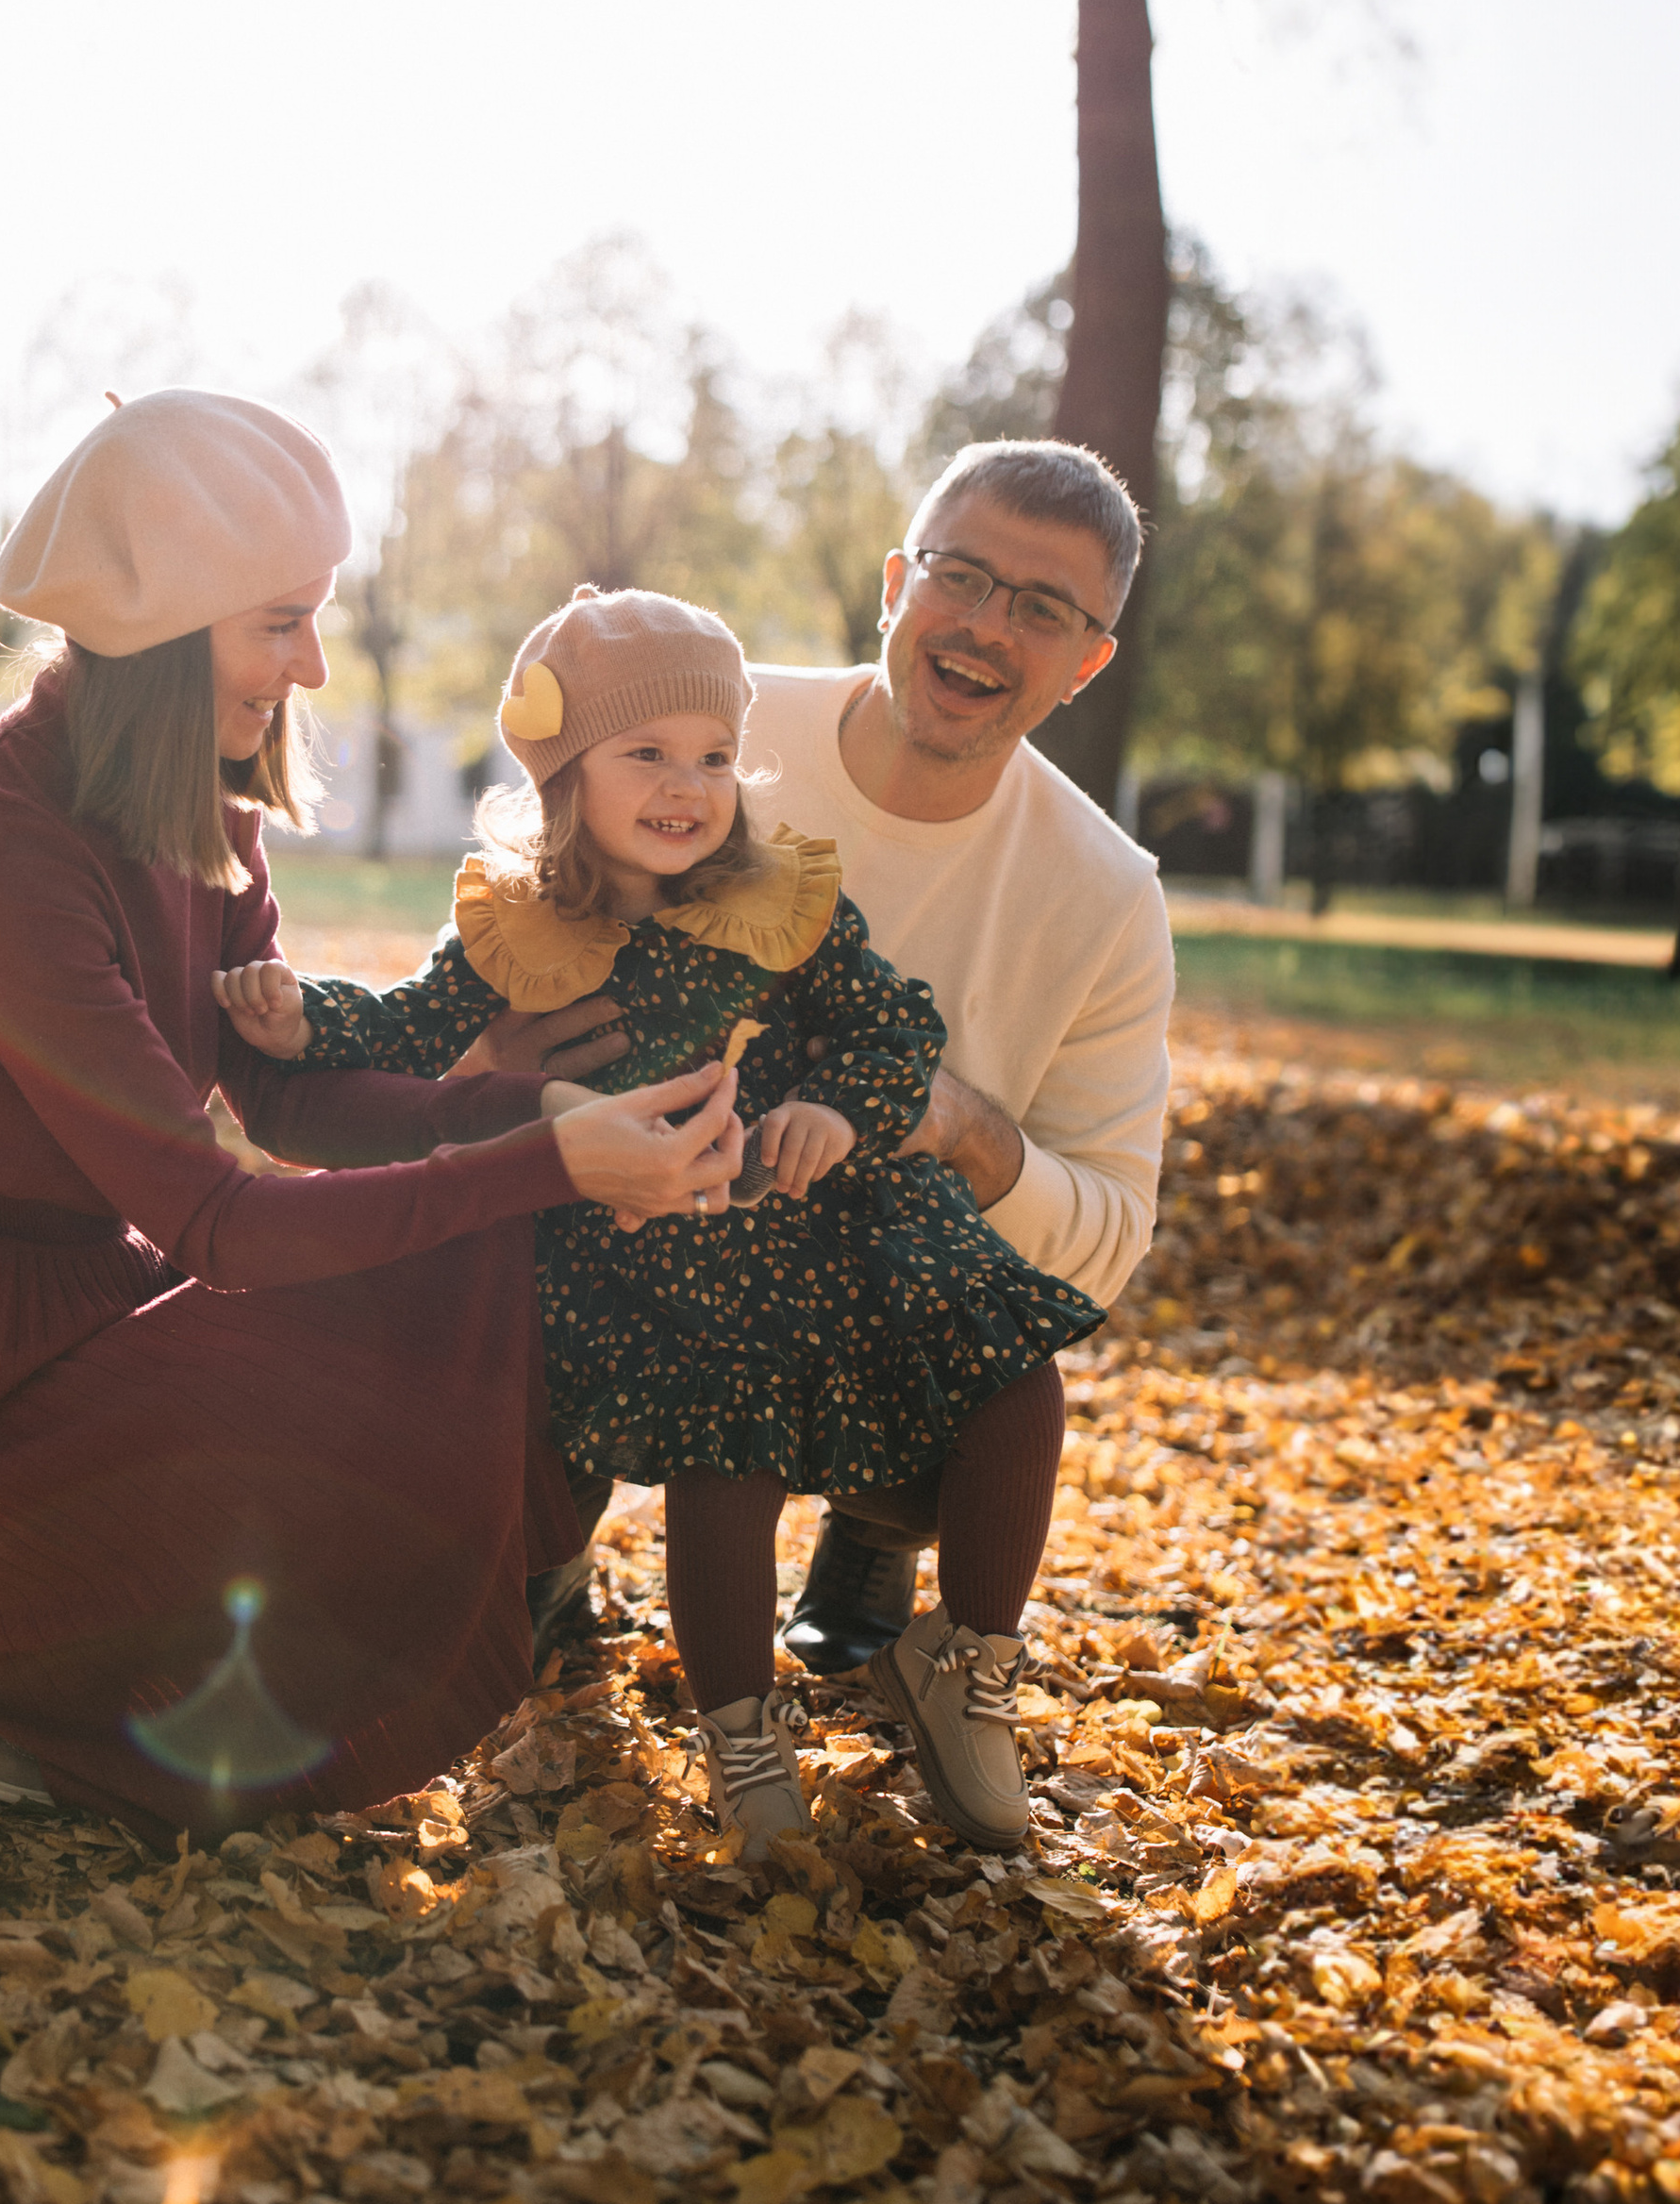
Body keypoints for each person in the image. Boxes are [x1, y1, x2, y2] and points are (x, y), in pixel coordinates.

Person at [0, 392, 743, 1832]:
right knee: (442, 1254)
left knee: (471, 1247)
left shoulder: (202, 811)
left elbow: (289, 1094)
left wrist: (525, 1102)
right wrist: (540, 1154)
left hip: (88, 1319)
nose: (313, 660)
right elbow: (219, 1219)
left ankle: (111, 1663)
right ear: (169, 626)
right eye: (279, 620)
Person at [220, 585, 1104, 1856]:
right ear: (567, 771)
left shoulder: (781, 900)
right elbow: (409, 1028)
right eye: (648, 754)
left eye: (712, 755)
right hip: (669, 1253)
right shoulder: (521, 923)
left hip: (830, 1214)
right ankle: (744, 1741)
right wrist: (301, 1017)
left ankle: (972, 1666)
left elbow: (894, 1027)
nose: (688, 786)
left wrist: (840, 1113)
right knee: (722, 1464)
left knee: (1015, 1381)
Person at [463, 444, 1175, 1845]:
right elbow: (526, 879)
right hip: (629, 1239)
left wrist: (962, 1126)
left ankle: (889, 1553)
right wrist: (486, 1058)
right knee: (547, 1303)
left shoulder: (1102, 894)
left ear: (1087, 662)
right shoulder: (719, 739)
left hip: (856, 1291)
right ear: (898, 581)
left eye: (1041, 607)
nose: (984, 625)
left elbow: (1107, 1237)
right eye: (960, 577)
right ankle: (539, 1550)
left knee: (999, 1370)